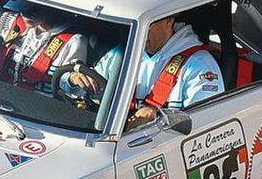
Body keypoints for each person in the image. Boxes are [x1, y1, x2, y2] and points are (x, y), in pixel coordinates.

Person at [64, 15, 224, 128]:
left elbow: (207, 122)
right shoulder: (122, 54)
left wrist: (158, 116)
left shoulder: (199, 64)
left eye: (147, 25)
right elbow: (88, 85)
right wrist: (74, 79)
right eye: (136, 26)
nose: (140, 33)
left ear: (169, 20)